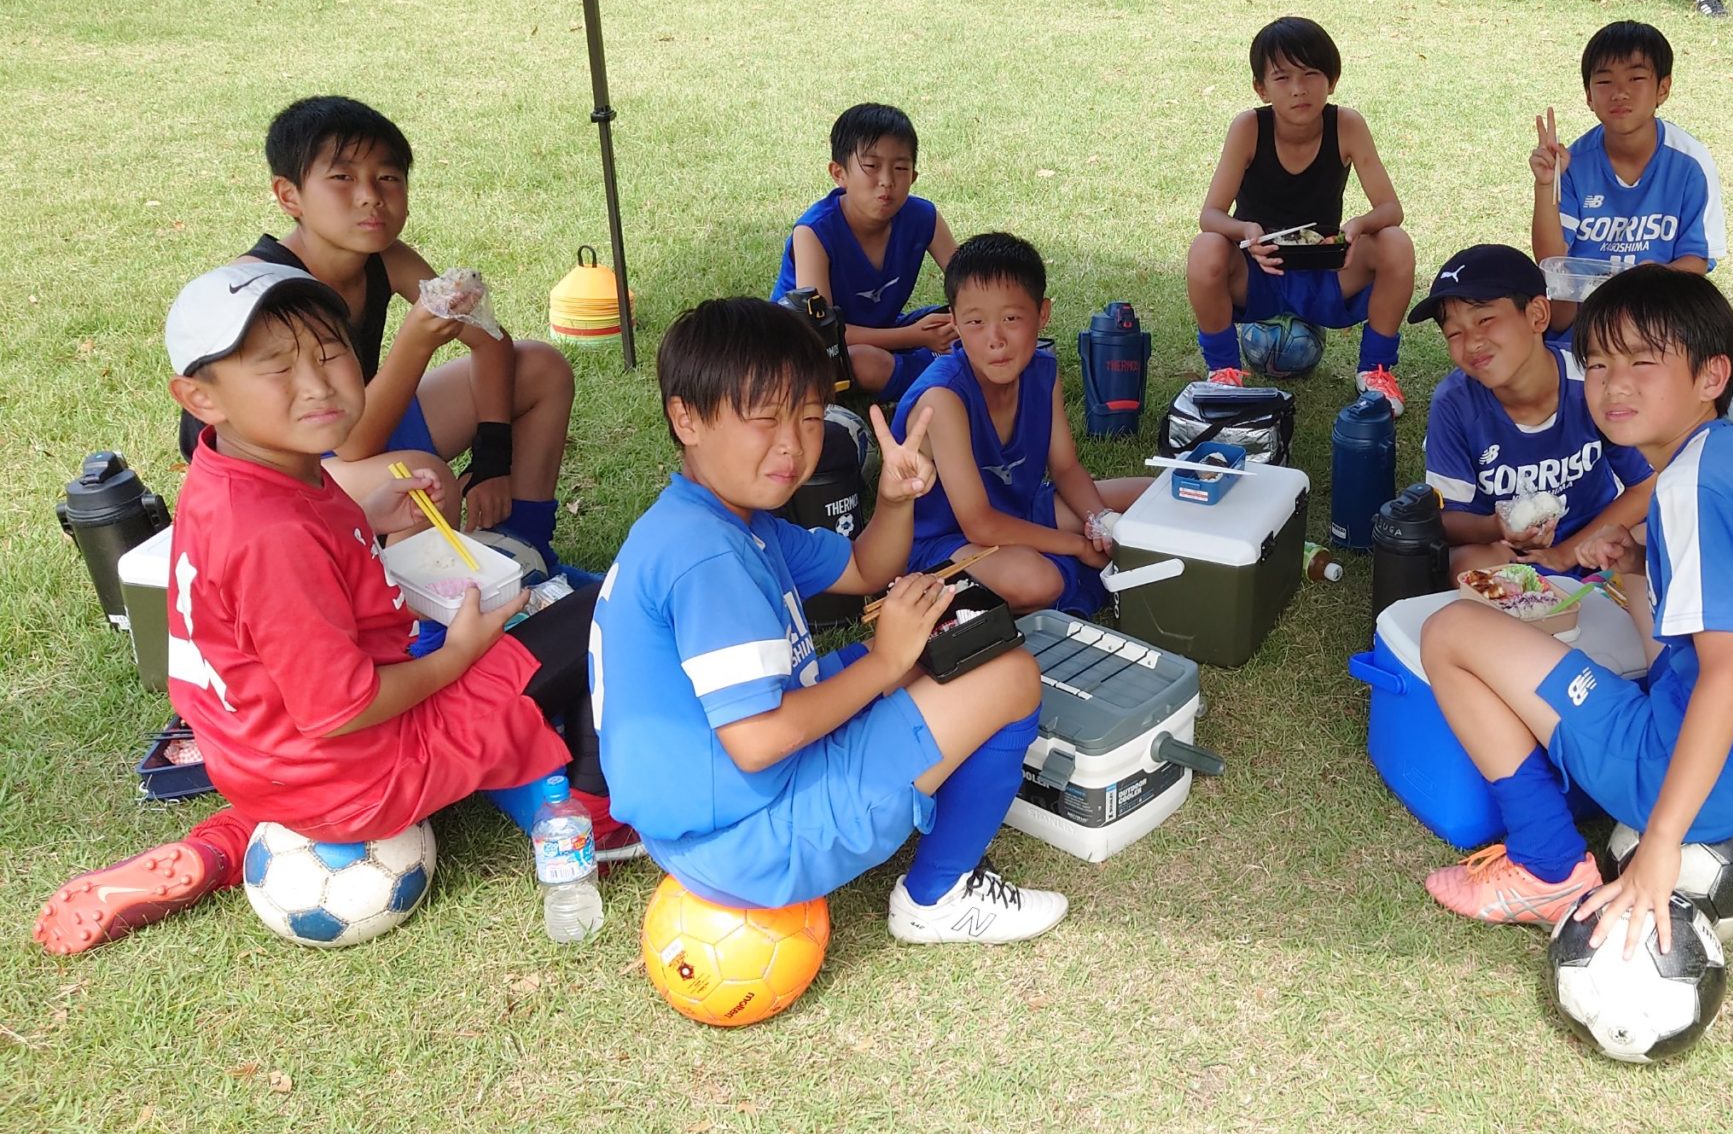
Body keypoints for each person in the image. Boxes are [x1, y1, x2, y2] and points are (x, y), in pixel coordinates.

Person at [32, 263, 628, 957]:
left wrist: (366, 517)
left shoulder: (235, 472)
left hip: (264, 761)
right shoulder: (273, 536)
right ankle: (593, 814)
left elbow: (280, 601)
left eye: (329, 352)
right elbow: (345, 709)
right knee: (605, 609)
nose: (317, 384)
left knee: (506, 639)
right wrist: (460, 655)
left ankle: (230, 839)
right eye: (277, 367)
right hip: (362, 769)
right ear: (200, 397)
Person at [593, 297, 1067, 945]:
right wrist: (886, 662)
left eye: (810, 418)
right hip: (750, 842)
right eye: (765, 419)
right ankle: (939, 897)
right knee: (1010, 676)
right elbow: (757, 740)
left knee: (944, 645)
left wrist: (894, 500)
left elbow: (865, 569)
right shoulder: (706, 557)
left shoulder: (714, 520)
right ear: (687, 418)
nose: (792, 445)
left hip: (712, 816)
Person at [1415, 266, 1733, 952]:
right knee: (1637, 596)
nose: (1615, 384)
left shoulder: (1692, 490)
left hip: (1709, 763)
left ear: (1711, 376)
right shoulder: (1728, 454)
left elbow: (1731, 678)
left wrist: (1661, 845)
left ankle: (1546, 866)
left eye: (1643, 362)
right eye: (1598, 363)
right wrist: (1638, 563)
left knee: (1448, 631)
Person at [179, 96, 578, 576]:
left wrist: (493, 459)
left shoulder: (388, 258)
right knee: (422, 480)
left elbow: (489, 340)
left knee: (539, 367)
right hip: (278, 466)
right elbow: (350, 443)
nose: (370, 195)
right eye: (342, 177)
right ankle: (414, 612)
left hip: (349, 422)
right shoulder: (261, 290)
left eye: (388, 177)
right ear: (289, 196)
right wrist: (416, 341)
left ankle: (525, 556)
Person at [894, 233, 1151, 616]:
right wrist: (1079, 545)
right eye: (975, 322)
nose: (995, 339)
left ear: (1042, 314)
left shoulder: (1042, 372)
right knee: (1036, 581)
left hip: (1019, 510)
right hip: (945, 540)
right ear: (955, 323)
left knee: (1150, 493)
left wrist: (1101, 522)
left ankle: (1064, 557)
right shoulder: (943, 398)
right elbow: (979, 524)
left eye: (1011, 319)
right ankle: (1058, 569)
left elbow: (1065, 468)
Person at [1185, 15, 1417, 414]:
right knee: (1206, 248)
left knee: (1395, 243)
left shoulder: (1346, 125)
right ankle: (1224, 371)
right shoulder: (1249, 128)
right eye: (1282, 78)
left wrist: (1359, 226)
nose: (1298, 89)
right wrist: (1246, 231)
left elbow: (1390, 209)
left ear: (1332, 80)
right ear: (1261, 88)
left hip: (1326, 271)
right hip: (1259, 272)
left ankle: (1376, 370)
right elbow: (1211, 216)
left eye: (1311, 74)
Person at [1415, 243, 1654, 579]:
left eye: (1485, 320)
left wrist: (1565, 555)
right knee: (1464, 566)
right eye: (1454, 333)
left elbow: (1644, 487)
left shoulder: (1592, 380)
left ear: (1537, 315)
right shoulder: (1455, 403)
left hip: (1596, 539)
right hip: (1511, 556)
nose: (1471, 342)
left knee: (1659, 539)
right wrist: (1497, 526)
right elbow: (1446, 520)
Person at [1530, 20, 1726, 319]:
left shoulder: (1691, 163)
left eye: (1636, 78)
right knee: (1552, 311)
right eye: (1605, 82)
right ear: (1588, 95)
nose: (1620, 93)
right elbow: (1551, 260)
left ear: (1663, 88)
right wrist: (1545, 186)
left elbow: (1696, 260)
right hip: (1585, 314)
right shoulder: (1572, 163)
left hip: (1658, 309)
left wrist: (1648, 282)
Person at [771, 102, 957, 401]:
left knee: (961, 319)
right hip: (810, 352)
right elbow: (822, 334)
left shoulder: (924, 217)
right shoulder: (813, 232)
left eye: (900, 168)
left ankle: (943, 368)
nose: (887, 181)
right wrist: (915, 336)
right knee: (864, 363)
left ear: (913, 176)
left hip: (883, 331)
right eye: (871, 166)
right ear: (839, 173)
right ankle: (954, 374)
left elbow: (972, 284)